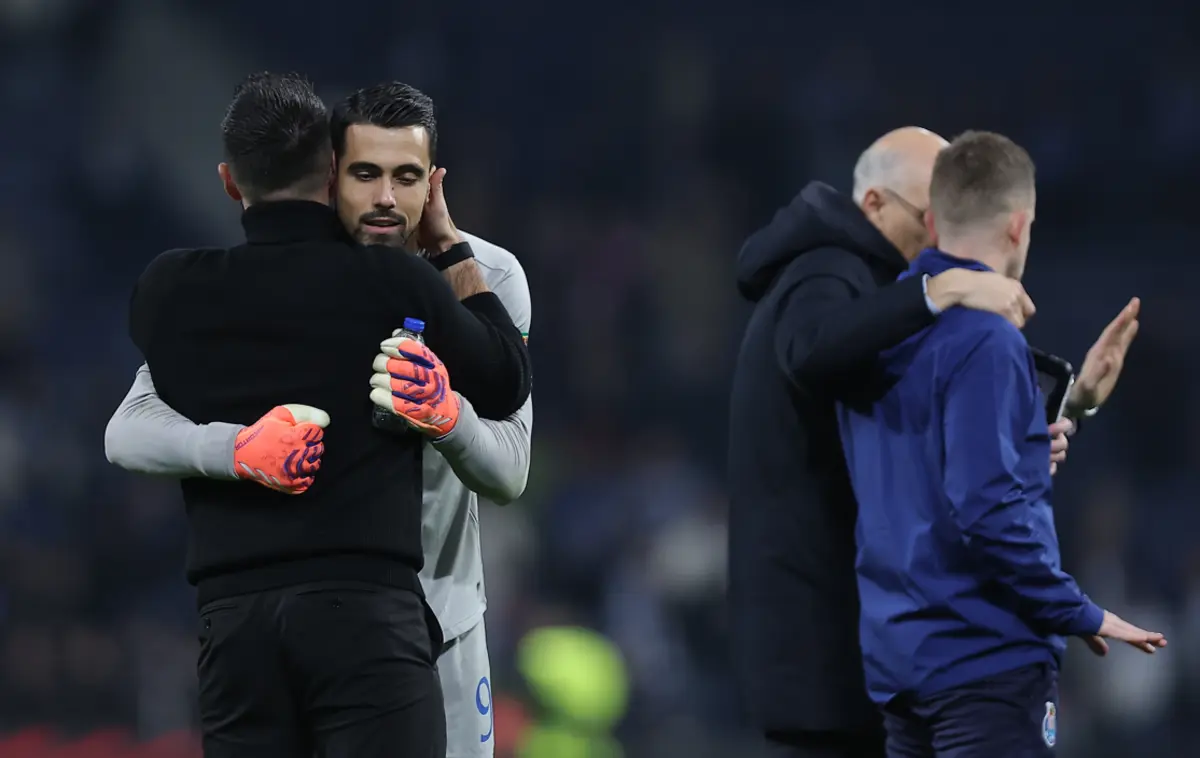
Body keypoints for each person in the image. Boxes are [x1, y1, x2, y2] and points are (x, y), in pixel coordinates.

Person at [107, 81, 531, 758]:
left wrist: (447, 416)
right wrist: (240, 447)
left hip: (445, 619)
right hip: (370, 612)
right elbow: (129, 426)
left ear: (435, 184)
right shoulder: (356, 283)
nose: (386, 198)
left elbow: (510, 471)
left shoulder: (490, 276)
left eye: (407, 177)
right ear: (332, 172)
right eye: (366, 174)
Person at [727, 126, 1139, 758]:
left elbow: (929, 429)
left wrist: (1062, 409)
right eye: (929, 215)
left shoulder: (884, 304)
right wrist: (940, 289)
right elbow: (813, 351)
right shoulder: (826, 271)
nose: (941, 234)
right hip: (836, 640)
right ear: (873, 206)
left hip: (876, 646)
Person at [837, 130, 1164, 758]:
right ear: (1019, 226)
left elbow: (931, 483)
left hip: (901, 664)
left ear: (934, 221)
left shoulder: (880, 332)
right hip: (983, 665)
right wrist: (1079, 611)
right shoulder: (987, 340)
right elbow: (985, 511)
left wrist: (1075, 407)